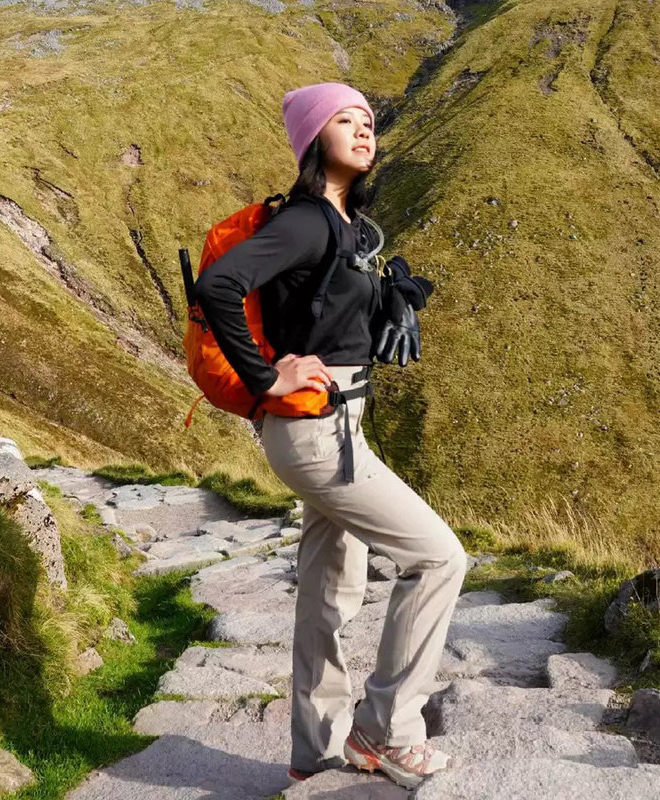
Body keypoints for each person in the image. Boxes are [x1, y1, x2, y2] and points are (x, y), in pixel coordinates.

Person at [194, 81, 466, 791]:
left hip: (340, 426)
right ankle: (388, 731)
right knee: (438, 558)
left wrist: (385, 295)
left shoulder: (344, 227)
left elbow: (321, 314)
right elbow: (219, 286)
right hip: (317, 432)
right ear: (315, 138)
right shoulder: (310, 220)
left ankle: (315, 752)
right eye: (345, 121)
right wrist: (263, 377)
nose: (364, 130)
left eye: (369, 121)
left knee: (328, 592)